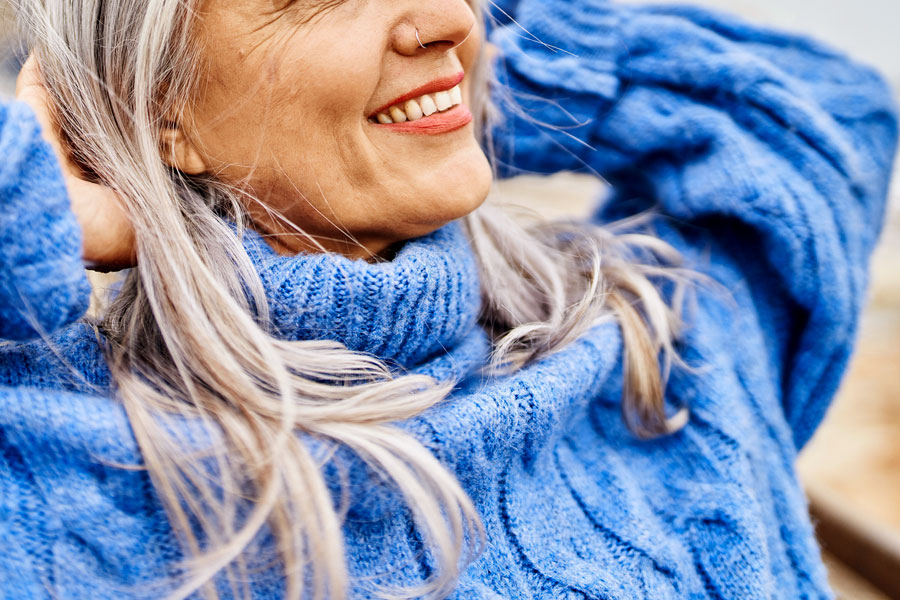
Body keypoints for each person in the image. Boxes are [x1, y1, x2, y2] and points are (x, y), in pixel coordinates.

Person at [1, 0, 896, 598]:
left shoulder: (656, 331)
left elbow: (828, 112)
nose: (447, 16)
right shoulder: (72, 480)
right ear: (160, 105)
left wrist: (476, 73)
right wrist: (36, 205)